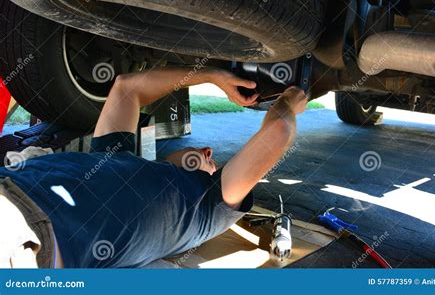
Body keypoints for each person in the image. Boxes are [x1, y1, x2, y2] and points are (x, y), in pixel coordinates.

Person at [0, 66, 307, 268]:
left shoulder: (203, 212)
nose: (209, 152)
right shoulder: (111, 156)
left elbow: (278, 132)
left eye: (215, 164)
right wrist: (211, 76)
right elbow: (126, 88)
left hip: (25, 235)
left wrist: (289, 102)